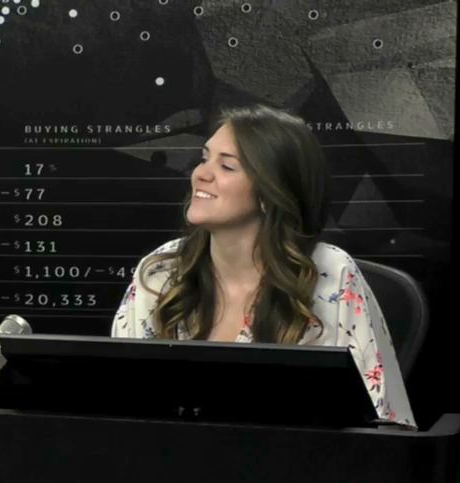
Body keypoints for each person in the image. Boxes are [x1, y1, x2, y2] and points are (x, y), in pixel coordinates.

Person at [111, 105, 415, 427]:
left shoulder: (332, 274)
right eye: (204, 158)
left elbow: (382, 427)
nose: (200, 174)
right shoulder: (160, 272)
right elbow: (116, 409)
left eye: (226, 166)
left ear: (270, 192)